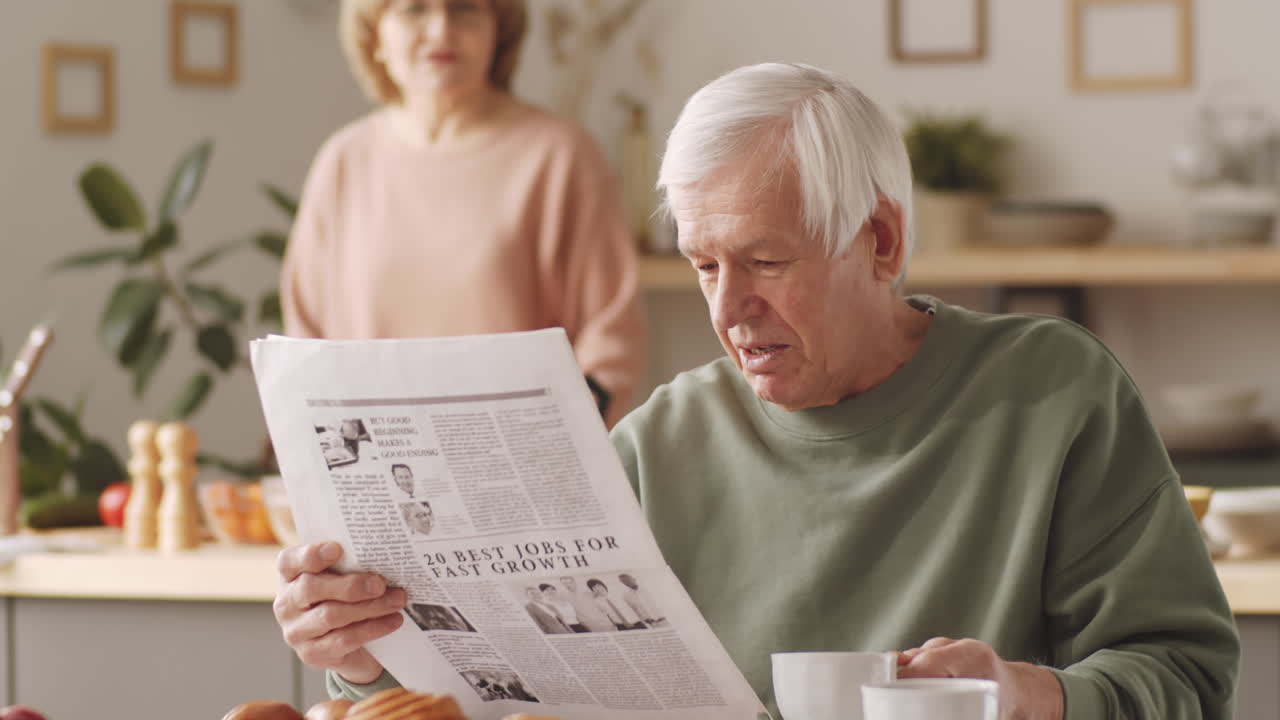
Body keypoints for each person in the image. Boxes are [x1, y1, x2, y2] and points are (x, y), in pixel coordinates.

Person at [271, 63, 1239, 719]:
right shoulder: (660, 443)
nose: (729, 310)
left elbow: (1185, 675)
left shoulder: (1050, 393)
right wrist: (363, 653)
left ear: (881, 242)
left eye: (764, 261)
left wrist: (1027, 695)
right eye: (701, 267)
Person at [282, 0, 647, 426]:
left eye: (464, 8)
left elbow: (611, 333)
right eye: (414, 9)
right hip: (375, 460)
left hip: (518, 458)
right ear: (375, 35)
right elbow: (304, 339)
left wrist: (558, 437)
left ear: (499, 30)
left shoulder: (561, 156)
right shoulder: (343, 161)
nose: (440, 30)